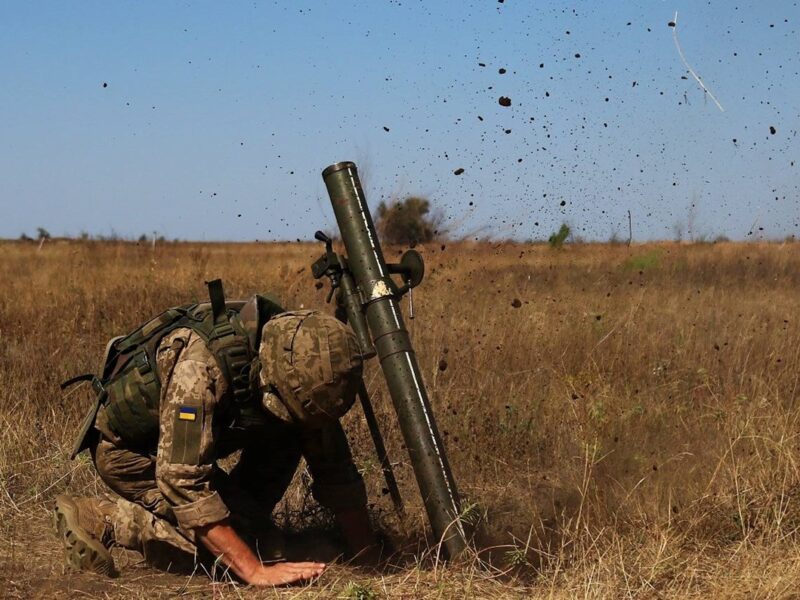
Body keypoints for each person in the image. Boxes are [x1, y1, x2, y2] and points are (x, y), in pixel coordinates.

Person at [54, 285, 379, 586]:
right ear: (269, 376)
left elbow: (332, 463)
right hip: (132, 452)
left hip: (200, 442)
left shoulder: (303, 362)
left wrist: (370, 556)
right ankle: (107, 519)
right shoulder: (198, 371)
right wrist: (254, 571)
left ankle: (245, 519)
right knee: (242, 548)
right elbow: (182, 481)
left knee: (287, 448)